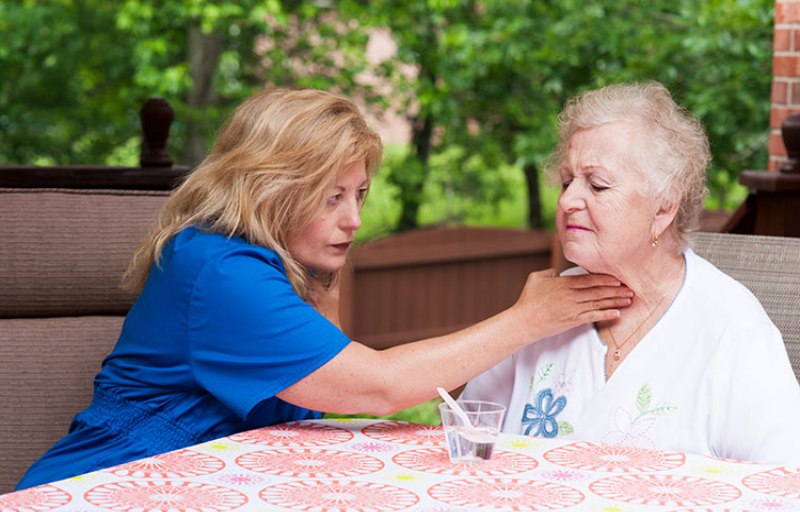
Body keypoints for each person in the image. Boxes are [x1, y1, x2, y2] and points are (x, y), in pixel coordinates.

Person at [16, 87, 633, 490]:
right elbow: (376, 386)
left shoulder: (267, 262)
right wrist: (528, 319)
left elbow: (323, 397)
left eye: (359, 194)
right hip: (101, 494)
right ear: (272, 186)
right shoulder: (221, 271)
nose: (354, 220)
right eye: (331, 196)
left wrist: (322, 282)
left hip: (192, 494)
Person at [462, 81, 800, 465]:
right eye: (567, 181)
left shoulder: (732, 328)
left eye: (598, 185)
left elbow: (784, 484)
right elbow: (469, 432)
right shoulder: (541, 309)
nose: (568, 200)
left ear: (664, 207)